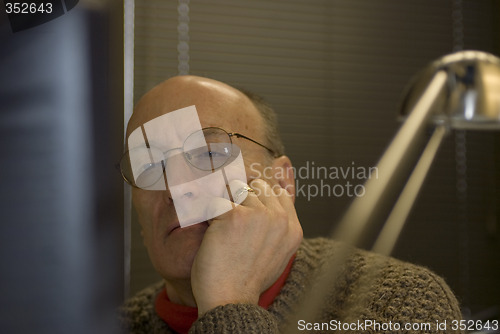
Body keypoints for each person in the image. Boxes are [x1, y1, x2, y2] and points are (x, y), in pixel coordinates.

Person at [119, 75, 462, 333]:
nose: (176, 186)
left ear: (281, 182)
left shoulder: (399, 302)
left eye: (209, 153)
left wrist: (227, 303)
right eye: (149, 166)